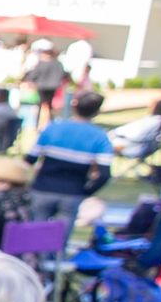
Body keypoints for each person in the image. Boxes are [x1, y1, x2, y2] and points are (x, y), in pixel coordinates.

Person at [26, 89, 112, 225]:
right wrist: (85, 191)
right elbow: (104, 175)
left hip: (42, 188)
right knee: (59, 240)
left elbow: (30, 160)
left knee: (34, 234)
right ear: (97, 111)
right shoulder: (100, 137)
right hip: (72, 193)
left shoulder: (52, 128)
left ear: (74, 106)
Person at [20, 39, 68, 129]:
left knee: (42, 105)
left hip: (42, 86)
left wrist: (29, 81)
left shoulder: (42, 63)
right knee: (48, 105)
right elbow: (63, 75)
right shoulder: (58, 64)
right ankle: (46, 122)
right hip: (53, 86)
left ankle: (40, 123)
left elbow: (34, 74)